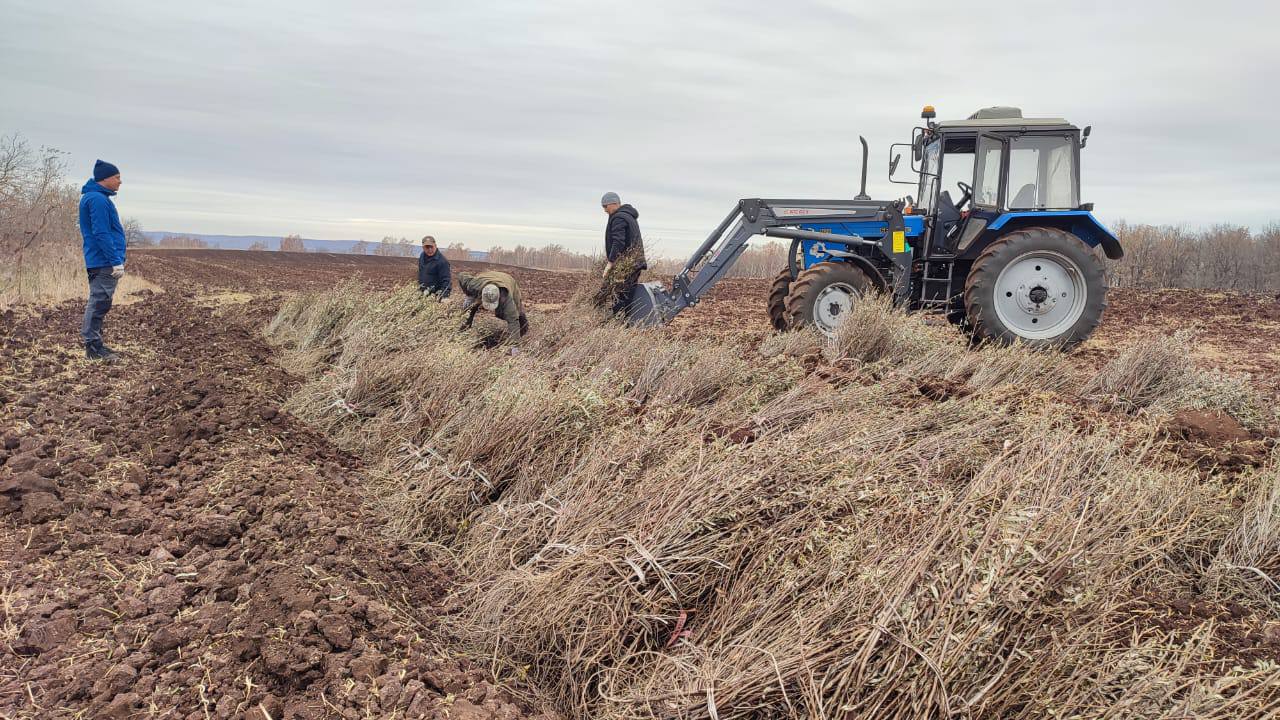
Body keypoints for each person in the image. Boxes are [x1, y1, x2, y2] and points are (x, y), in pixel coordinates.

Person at [79, 159, 127, 362]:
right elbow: (101, 233)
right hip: (102, 261)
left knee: (100, 302)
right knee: (99, 302)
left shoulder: (96, 198)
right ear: (105, 178)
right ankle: (93, 348)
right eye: (117, 177)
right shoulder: (97, 199)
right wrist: (115, 260)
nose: (120, 181)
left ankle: (95, 343)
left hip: (101, 260)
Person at [596, 192, 647, 315]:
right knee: (627, 295)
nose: (604, 210)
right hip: (635, 263)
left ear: (614, 203)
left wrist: (610, 262)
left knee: (619, 295)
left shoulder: (619, 218)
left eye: (605, 206)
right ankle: (626, 323)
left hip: (626, 264)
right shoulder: (629, 216)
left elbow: (618, 242)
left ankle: (618, 323)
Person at [457, 271, 528, 342]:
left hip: (509, 281)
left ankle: (521, 332)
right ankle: (463, 330)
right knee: (469, 307)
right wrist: (468, 293)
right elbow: (461, 275)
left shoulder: (506, 299)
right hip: (485, 278)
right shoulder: (473, 285)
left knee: (515, 314)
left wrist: (514, 347)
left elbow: (513, 321)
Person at [417, 235, 451, 299]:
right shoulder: (422, 256)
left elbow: (446, 281)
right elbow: (420, 273)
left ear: (435, 246)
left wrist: (443, 297)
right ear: (423, 248)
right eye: (427, 247)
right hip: (423, 294)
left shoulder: (442, 262)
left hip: (434, 296)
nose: (430, 250)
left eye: (431, 247)